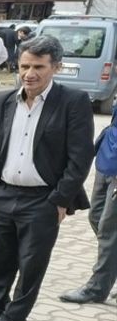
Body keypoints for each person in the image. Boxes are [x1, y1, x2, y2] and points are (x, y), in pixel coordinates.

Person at [0, 35, 95, 321]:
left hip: (43, 200)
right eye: (24, 65)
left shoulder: (73, 102)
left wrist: (59, 200)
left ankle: (14, 320)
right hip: (2, 194)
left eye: (38, 66)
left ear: (55, 67)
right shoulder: (1, 101)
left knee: (31, 263)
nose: (29, 73)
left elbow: (79, 158)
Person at [60, 112, 117, 304]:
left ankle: (97, 288)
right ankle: (108, 273)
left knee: (110, 229)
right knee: (97, 217)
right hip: (109, 157)